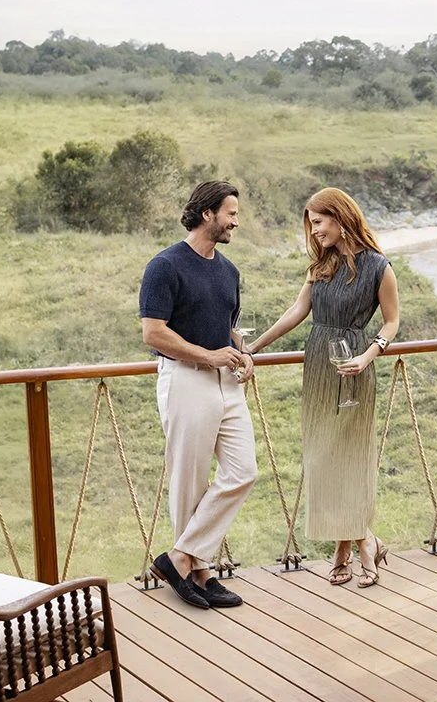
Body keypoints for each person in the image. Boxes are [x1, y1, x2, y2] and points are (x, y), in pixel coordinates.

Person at [246, 187, 400, 588]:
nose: (314, 232)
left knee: (351, 458)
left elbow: (391, 322)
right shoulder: (321, 267)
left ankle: (350, 547)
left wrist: (369, 355)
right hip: (318, 366)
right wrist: (255, 347)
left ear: (340, 217)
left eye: (318, 222)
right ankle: (360, 540)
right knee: (322, 459)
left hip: (355, 368)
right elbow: (298, 312)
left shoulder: (379, 267)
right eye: (311, 225)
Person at [138, 180, 257, 609]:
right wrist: (208, 356)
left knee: (243, 471)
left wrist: (242, 352)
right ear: (207, 213)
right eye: (231, 214)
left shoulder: (229, 271)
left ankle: (179, 559)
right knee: (190, 480)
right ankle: (201, 572)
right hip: (186, 379)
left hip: (226, 381)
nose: (235, 222)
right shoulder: (165, 266)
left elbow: (227, 326)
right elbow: (153, 332)